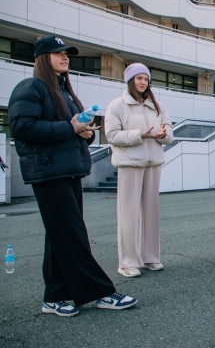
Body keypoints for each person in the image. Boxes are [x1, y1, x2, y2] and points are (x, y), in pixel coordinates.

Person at [8, 35, 137, 317]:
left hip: (67, 170)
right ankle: (100, 291)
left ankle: (54, 297)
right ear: (43, 58)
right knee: (72, 233)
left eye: (67, 53)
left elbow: (74, 129)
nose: (65, 57)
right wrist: (70, 128)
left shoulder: (64, 91)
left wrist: (85, 133)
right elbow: (22, 127)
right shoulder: (31, 87)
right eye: (58, 53)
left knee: (60, 234)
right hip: (48, 172)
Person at [104, 63, 173, 277]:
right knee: (128, 213)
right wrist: (141, 134)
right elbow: (111, 136)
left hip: (153, 162)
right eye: (138, 78)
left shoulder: (157, 105)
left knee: (152, 212)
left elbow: (169, 131)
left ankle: (150, 257)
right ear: (130, 80)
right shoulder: (117, 105)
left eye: (145, 78)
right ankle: (127, 262)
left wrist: (164, 134)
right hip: (129, 163)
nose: (143, 82)